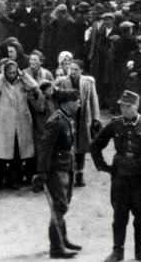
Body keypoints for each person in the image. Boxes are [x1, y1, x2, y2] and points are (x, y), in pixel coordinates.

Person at [91, 90, 141, 262]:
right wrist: (103, 166)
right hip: (120, 177)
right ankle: (117, 251)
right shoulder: (115, 124)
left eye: (128, 106)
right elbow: (95, 145)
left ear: (136, 106)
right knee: (119, 216)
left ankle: (140, 251)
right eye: (122, 106)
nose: (124, 109)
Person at [32, 88, 83, 259]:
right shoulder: (56, 121)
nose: (79, 104)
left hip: (66, 168)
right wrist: (42, 172)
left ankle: (63, 239)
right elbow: (45, 148)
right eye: (77, 102)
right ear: (69, 103)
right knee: (60, 206)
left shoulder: (66, 118)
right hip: (55, 170)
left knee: (63, 203)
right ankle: (56, 247)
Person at [0, 60, 41, 190]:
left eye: (14, 72)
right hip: (4, 122)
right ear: (4, 72)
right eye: (9, 72)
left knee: (18, 152)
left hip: (21, 121)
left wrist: (22, 74)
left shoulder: (22, 82)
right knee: (1, 153)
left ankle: (13, 180)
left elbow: (34, 85)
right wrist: (1, 74)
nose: (12, 75)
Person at [54, 61, 102, 187]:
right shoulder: (62, 81)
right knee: (68, 145)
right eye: (71, 69)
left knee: (81, 147)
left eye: (76, 69)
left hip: (83, 117)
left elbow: (94, 100)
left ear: (81, 70)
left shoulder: (88, 82)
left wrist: (96, 118)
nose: (73, 72)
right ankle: (69, 173)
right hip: (68, 116)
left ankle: (80, 173)